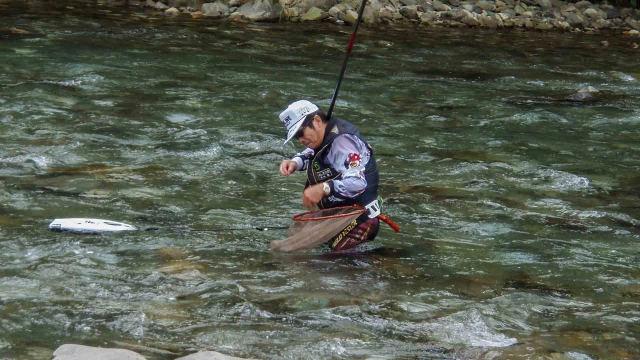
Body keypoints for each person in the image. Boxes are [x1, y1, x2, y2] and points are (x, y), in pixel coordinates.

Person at [278, 99, 381, 252]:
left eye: (301, 132)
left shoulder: (343, 142)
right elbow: (315, 155)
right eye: (295, 136)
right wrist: (296, 162)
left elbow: (358, 182)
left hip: (360, 219)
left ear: (317, 121)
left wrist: (324, 188)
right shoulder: (324, 138)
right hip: (341, 217)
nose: (300, 139)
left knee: (329, 265)